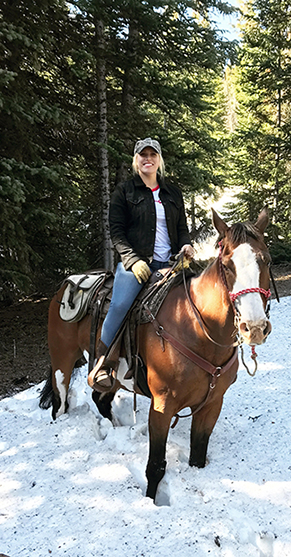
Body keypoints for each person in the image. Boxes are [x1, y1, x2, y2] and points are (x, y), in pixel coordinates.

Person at [88, 137, 195, 392]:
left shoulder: (172, 193)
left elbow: (181, 228)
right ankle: (103, 364)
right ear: (136, 161)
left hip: (171, 264)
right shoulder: (125, 191)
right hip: (136, 263)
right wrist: (133, 260)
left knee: (198, 299)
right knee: (121, 304)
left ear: (159, 160)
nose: (148, 159)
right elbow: (117, 231)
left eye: (153, 154)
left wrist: (186, 247)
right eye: (142, 155)